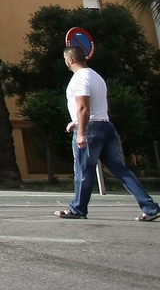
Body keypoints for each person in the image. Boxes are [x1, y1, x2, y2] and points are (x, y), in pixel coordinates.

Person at [54, 45, 159, 222]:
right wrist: (76, 121)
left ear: (70, 59)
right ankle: (150, 207)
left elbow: (83, 107)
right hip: (105, 126)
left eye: (65, 59)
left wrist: (81, 132)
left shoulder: (79, 78)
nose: (66, 62)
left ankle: (77, 209)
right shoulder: (96, 77)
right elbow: (93, 107)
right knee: (120, 169)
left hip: (90, 129)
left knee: (83, 170)